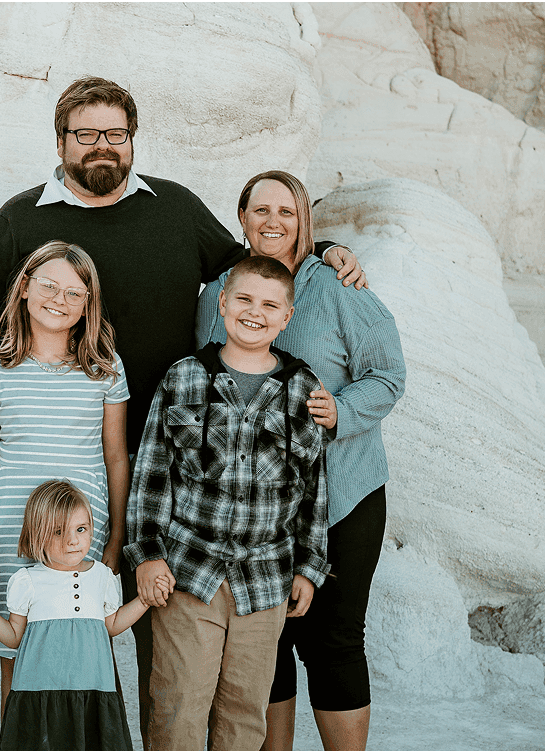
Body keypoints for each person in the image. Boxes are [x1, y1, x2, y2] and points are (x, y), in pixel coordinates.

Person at [0, 75, 366, 739]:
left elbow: (250, 271)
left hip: (176, 476)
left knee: (163, 645)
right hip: (54, 476)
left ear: (132, 139)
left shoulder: (173, 207)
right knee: (43, 637)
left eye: (114, 134)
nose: (100, 146)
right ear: (59, 140)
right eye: (84, 134)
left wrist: (317, 250)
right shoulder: (19, 219)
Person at [195, 171, 406, 751]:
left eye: (286, 212)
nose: (272, 222)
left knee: (333, 639)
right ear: (241, 219)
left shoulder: (339, 287)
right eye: (260, 210)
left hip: (342, 493)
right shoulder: (219, 294)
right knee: (264, 639)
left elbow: (389, 373)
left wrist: (338, 410)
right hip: (258, 503)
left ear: (304, 220)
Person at [126, 255, 330, 751]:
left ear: (287, 316)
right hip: (189, 573)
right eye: (242, 299)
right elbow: (152, 474)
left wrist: (309, 567)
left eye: (269, 304)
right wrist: (147, 555)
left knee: (244, 715)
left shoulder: (303, 390)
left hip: (266, 578)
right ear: (221, 303)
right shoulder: (184, 378)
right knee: (179, 708)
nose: (253, 312)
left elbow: (313, 489)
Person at [0, 241, 130, 714]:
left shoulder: (105, 370)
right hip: (11, 531)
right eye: (49, 285)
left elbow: (115, 458)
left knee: (81, 651)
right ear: (25, 287)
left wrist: (115, 542)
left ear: (88, 304)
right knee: (20, 657)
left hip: (80, 533)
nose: (60, 299)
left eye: (75, 292)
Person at [0, 479, 172, 751]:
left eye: (81, 529)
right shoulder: (27, 580)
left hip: (93, 693)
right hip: (39, 695)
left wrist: (144, 601)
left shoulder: (102, 576)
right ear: (37, 534)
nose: (73, 540)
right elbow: (14, 637)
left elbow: (110, 625)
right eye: (59, 532)